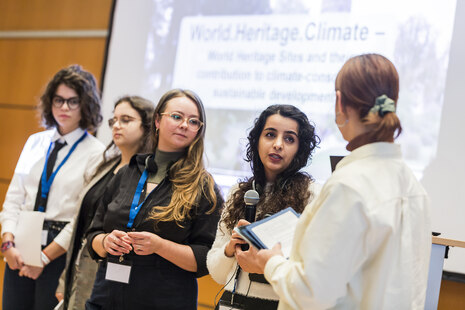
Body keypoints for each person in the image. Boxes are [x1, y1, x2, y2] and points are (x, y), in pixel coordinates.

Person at [238, 54, 432, 309]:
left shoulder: (348, 186)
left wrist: (270, 263)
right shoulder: (414, 188)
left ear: (339, 102)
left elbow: (312, 293)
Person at [85, 89, 224, 310]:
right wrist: (105, 242)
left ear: (198, 130)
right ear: (157, 121)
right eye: (177, 117)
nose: (184, 125)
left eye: (194, 121)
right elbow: (93, 233)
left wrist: (160, 246)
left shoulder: (204, 187)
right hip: (107, 297)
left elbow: (206, 258)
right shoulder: (127, 173)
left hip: (163, 301)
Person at [0, 65, 105, 310]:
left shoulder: (96, 152)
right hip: (20, 245)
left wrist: (44, 257)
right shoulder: (35, 142)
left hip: (58, 253)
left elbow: (83, 218)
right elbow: (14, 198)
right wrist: (7, 245)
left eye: (72, 101)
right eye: (59, 100)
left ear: (86, 105)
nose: (64, 108)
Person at [207, 104, 320, 309]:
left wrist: (265, 265)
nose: (278, 144)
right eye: (270, 134)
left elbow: (311, 275)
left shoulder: (312, 195)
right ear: (257, 140)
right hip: (229, 303)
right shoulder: (238, 193)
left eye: (289, 139)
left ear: (300, 149)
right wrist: (230, 249)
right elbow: (216, 272)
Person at [55, 96, 155, 310]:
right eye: (114, 120)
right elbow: (82, 223)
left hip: (115, 277)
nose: (116, 125)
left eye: (126, 119)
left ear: (148, 126)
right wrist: (66, 278)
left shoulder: (151, 176)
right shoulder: (105, 166)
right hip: (82, 265)